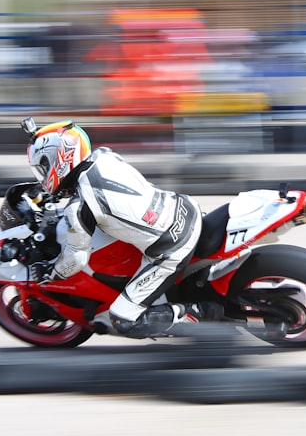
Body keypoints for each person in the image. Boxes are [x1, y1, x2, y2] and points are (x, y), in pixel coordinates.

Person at [23, 117, 221, 337]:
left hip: (170, 247)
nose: (42, 177)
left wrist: (50, 273)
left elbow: (76, 259)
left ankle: (201, 312)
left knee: (124, 320)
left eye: (43, 167)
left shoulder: (81, 208)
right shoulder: (104, 155)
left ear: (60, 159)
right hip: (183, 208)